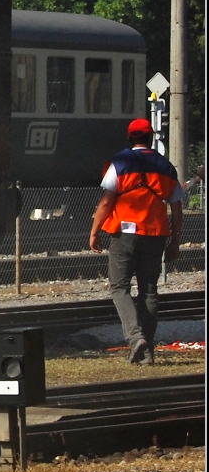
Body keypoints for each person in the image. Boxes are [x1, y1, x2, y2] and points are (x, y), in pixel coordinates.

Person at [88, 118, 184, 365]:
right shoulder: (166, 166)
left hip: (124, 234)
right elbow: (176, 209)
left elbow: (107, 201)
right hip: (156, 234)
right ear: (151, 138)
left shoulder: (119, 162)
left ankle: (136, 338)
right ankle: (147, 350)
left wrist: (95, 231)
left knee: (119, 287)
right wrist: (175, 241)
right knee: (149, 290)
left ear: (130, 138)